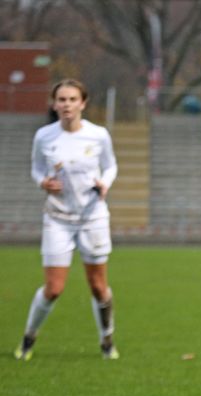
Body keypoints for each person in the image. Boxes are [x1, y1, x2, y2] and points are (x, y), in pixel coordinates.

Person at [14, 78, 120, 361]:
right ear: (54, 103)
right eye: (61, 100)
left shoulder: (98, 135)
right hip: (57, 218)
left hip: (93, 217)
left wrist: (105, 182)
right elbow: (36, 168)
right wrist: (43, 182)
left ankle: (106, 340)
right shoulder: (44, 136)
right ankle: (28, 338)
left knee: (98, 286)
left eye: (72, 99)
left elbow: (110, 166)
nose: (67, 105)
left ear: (83, 103)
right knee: (54, 288)